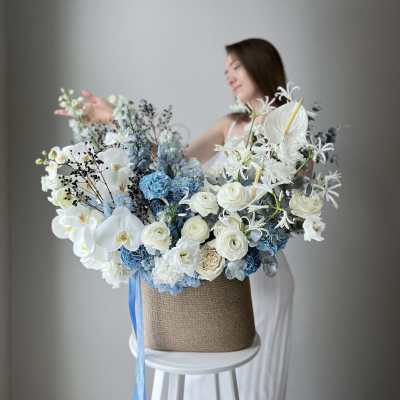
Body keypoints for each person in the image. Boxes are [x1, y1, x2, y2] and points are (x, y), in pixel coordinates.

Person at [54, 37, 295, 400]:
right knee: (204, 366)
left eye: (236, 66)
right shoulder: (230, 124)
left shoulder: (291, 125)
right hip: (220, 267)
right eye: (226, 70)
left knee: (260, 377)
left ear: (261, 64)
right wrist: (114, 117)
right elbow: (174, 160)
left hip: (265, 268)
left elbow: (295, 187)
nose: (229, 75)